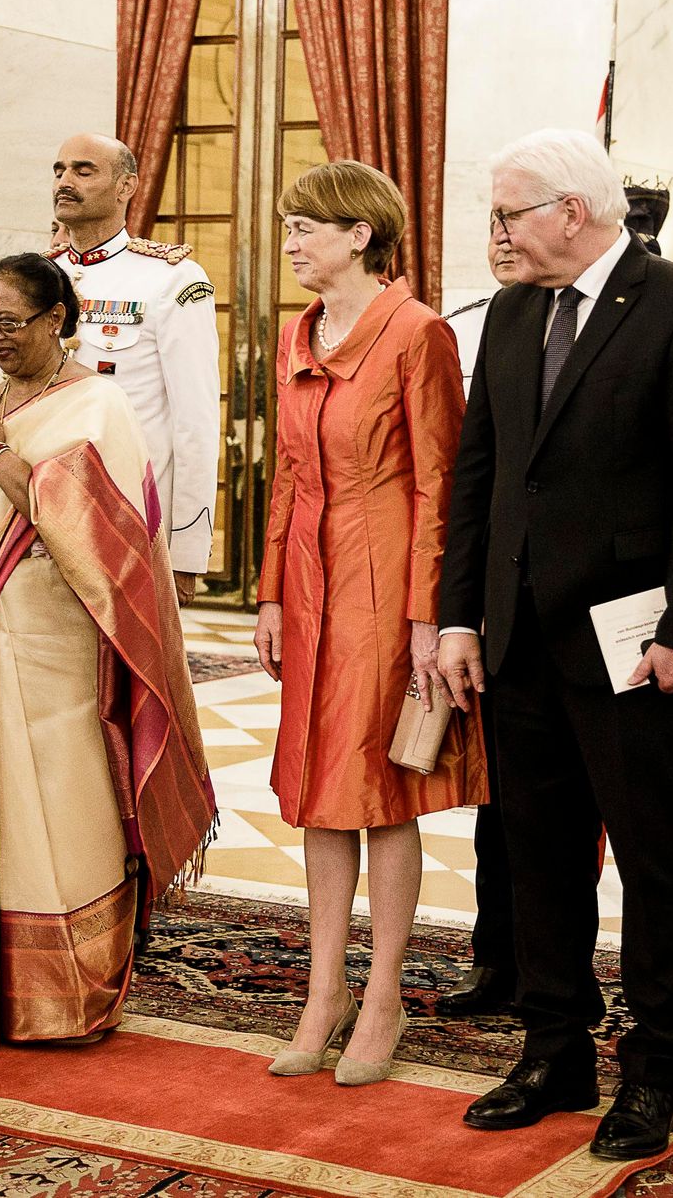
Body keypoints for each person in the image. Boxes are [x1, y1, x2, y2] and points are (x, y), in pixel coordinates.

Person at [438, 130, 673, 1158]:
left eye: (507, 213)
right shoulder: (513, 311)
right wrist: (459, 616)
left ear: (571, 211)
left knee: (658, 865)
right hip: (520, 642)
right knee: (538, 860)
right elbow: (480, 475)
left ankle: (657, 1068)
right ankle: (553, 1050)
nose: (496, 232)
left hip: (637, 648)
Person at [0, 252, 215, 1046]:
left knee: (67, 814)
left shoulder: (98, 406)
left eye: (10, 320)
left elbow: (86, 534)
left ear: (57, 319)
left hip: (64, 651)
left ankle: (70, 995)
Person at [251, 162, 486, 1084]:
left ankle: (382, 992)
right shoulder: (295, 331)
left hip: (387, 585)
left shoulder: (418, 331)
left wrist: (433, 615)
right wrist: (271, 592)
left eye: (306, 226)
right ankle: (324, 991)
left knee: (380, 790)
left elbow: (442, 485)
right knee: (317, 785)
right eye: (288, 225)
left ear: (361, 234)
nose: (292, 242)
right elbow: (284, 470)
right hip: (310, 582)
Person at [49, 132, 221, 602]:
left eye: (84, 171)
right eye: (60, 171)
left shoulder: (171, 278)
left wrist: (185, 551)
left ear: (126, 187)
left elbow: (196, 424)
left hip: (128, 515)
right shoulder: (37, 275)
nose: (65, 182)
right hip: (41, 510)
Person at [436, 240, 518, 1020]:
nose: (503, 237)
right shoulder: (461, 326)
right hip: (488, 583)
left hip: (571, 591)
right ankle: (497, 956)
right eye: (492, 224)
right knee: (499, 796)